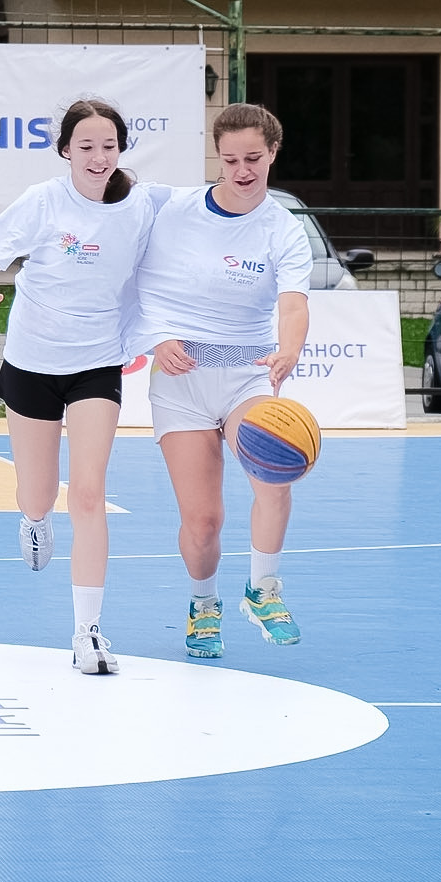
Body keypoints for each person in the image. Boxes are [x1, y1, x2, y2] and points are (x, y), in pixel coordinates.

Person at [0, 100, 160, 675]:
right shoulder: (42, 202)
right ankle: (34, 520)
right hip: (31, 360)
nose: (98, 157)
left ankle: (88, 632)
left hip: (99, 362)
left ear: (122, 149)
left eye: (109, 146)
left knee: (90, 492)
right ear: (66, 151)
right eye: (86, 146)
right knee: (38, 493)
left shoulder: (142, 205)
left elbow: (203, 220)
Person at [133, 102, 311, 660]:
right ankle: (203, 603)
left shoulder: (284, 230)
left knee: (276, 476)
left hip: (247, 375)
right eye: (230, 159)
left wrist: (289, 349)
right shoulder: (171, 207)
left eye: (253, 158)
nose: (241, 170)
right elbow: (125, 272)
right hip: (181, 378)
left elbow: (293, 302)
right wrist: (155, 336)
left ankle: (263, 590)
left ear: (273, 154)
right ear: (218, 156)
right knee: (204, 520)